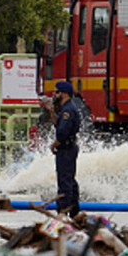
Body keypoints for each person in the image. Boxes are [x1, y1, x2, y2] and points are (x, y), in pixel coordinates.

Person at [51, 80, 81, 217]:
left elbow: (62, 133)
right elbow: (58, 125)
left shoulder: (68, 110)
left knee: (65, 182)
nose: (54, 94)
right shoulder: (66, 109)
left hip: (66, 149)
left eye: (56, 92)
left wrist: (54, 144)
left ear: (64, 94)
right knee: (69, 180)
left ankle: (64, 213)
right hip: (68, 148)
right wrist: (50, 110)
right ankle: (74, 213)